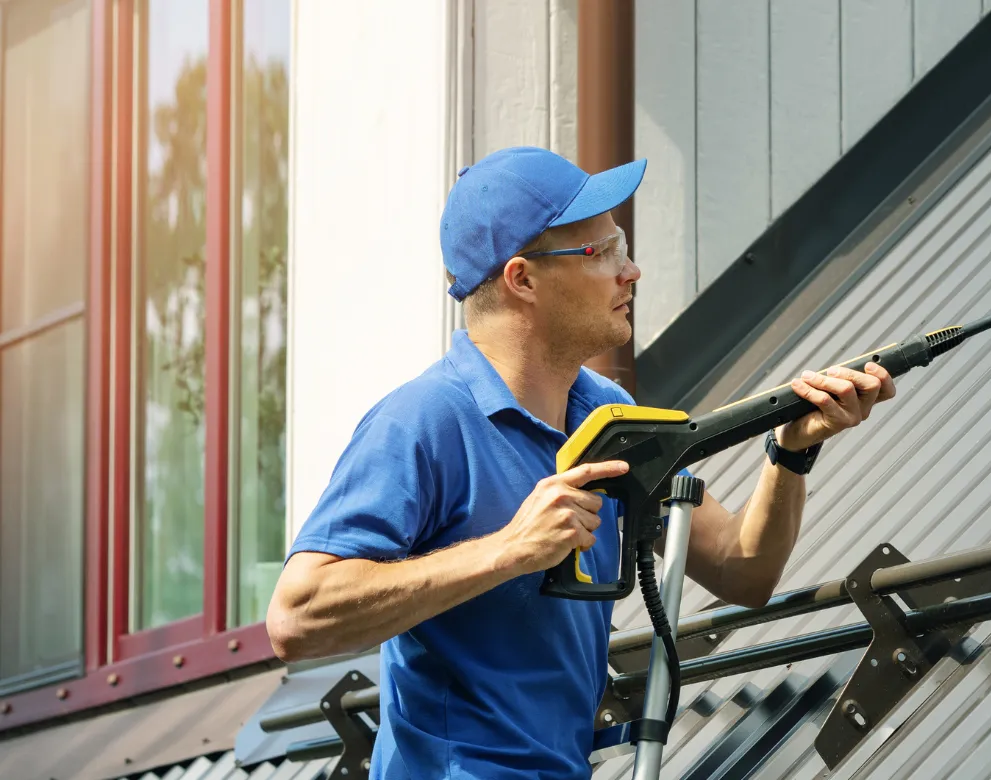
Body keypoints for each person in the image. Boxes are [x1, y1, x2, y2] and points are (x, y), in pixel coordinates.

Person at [265, 146, 895, 779]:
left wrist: (791, 450)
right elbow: (297, 618)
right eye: (601, 254)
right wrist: (511, 549)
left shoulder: (607, 411)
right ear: (522, 279)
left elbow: (741, 572)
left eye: (620, 246)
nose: (632, 271)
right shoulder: (423, 421)